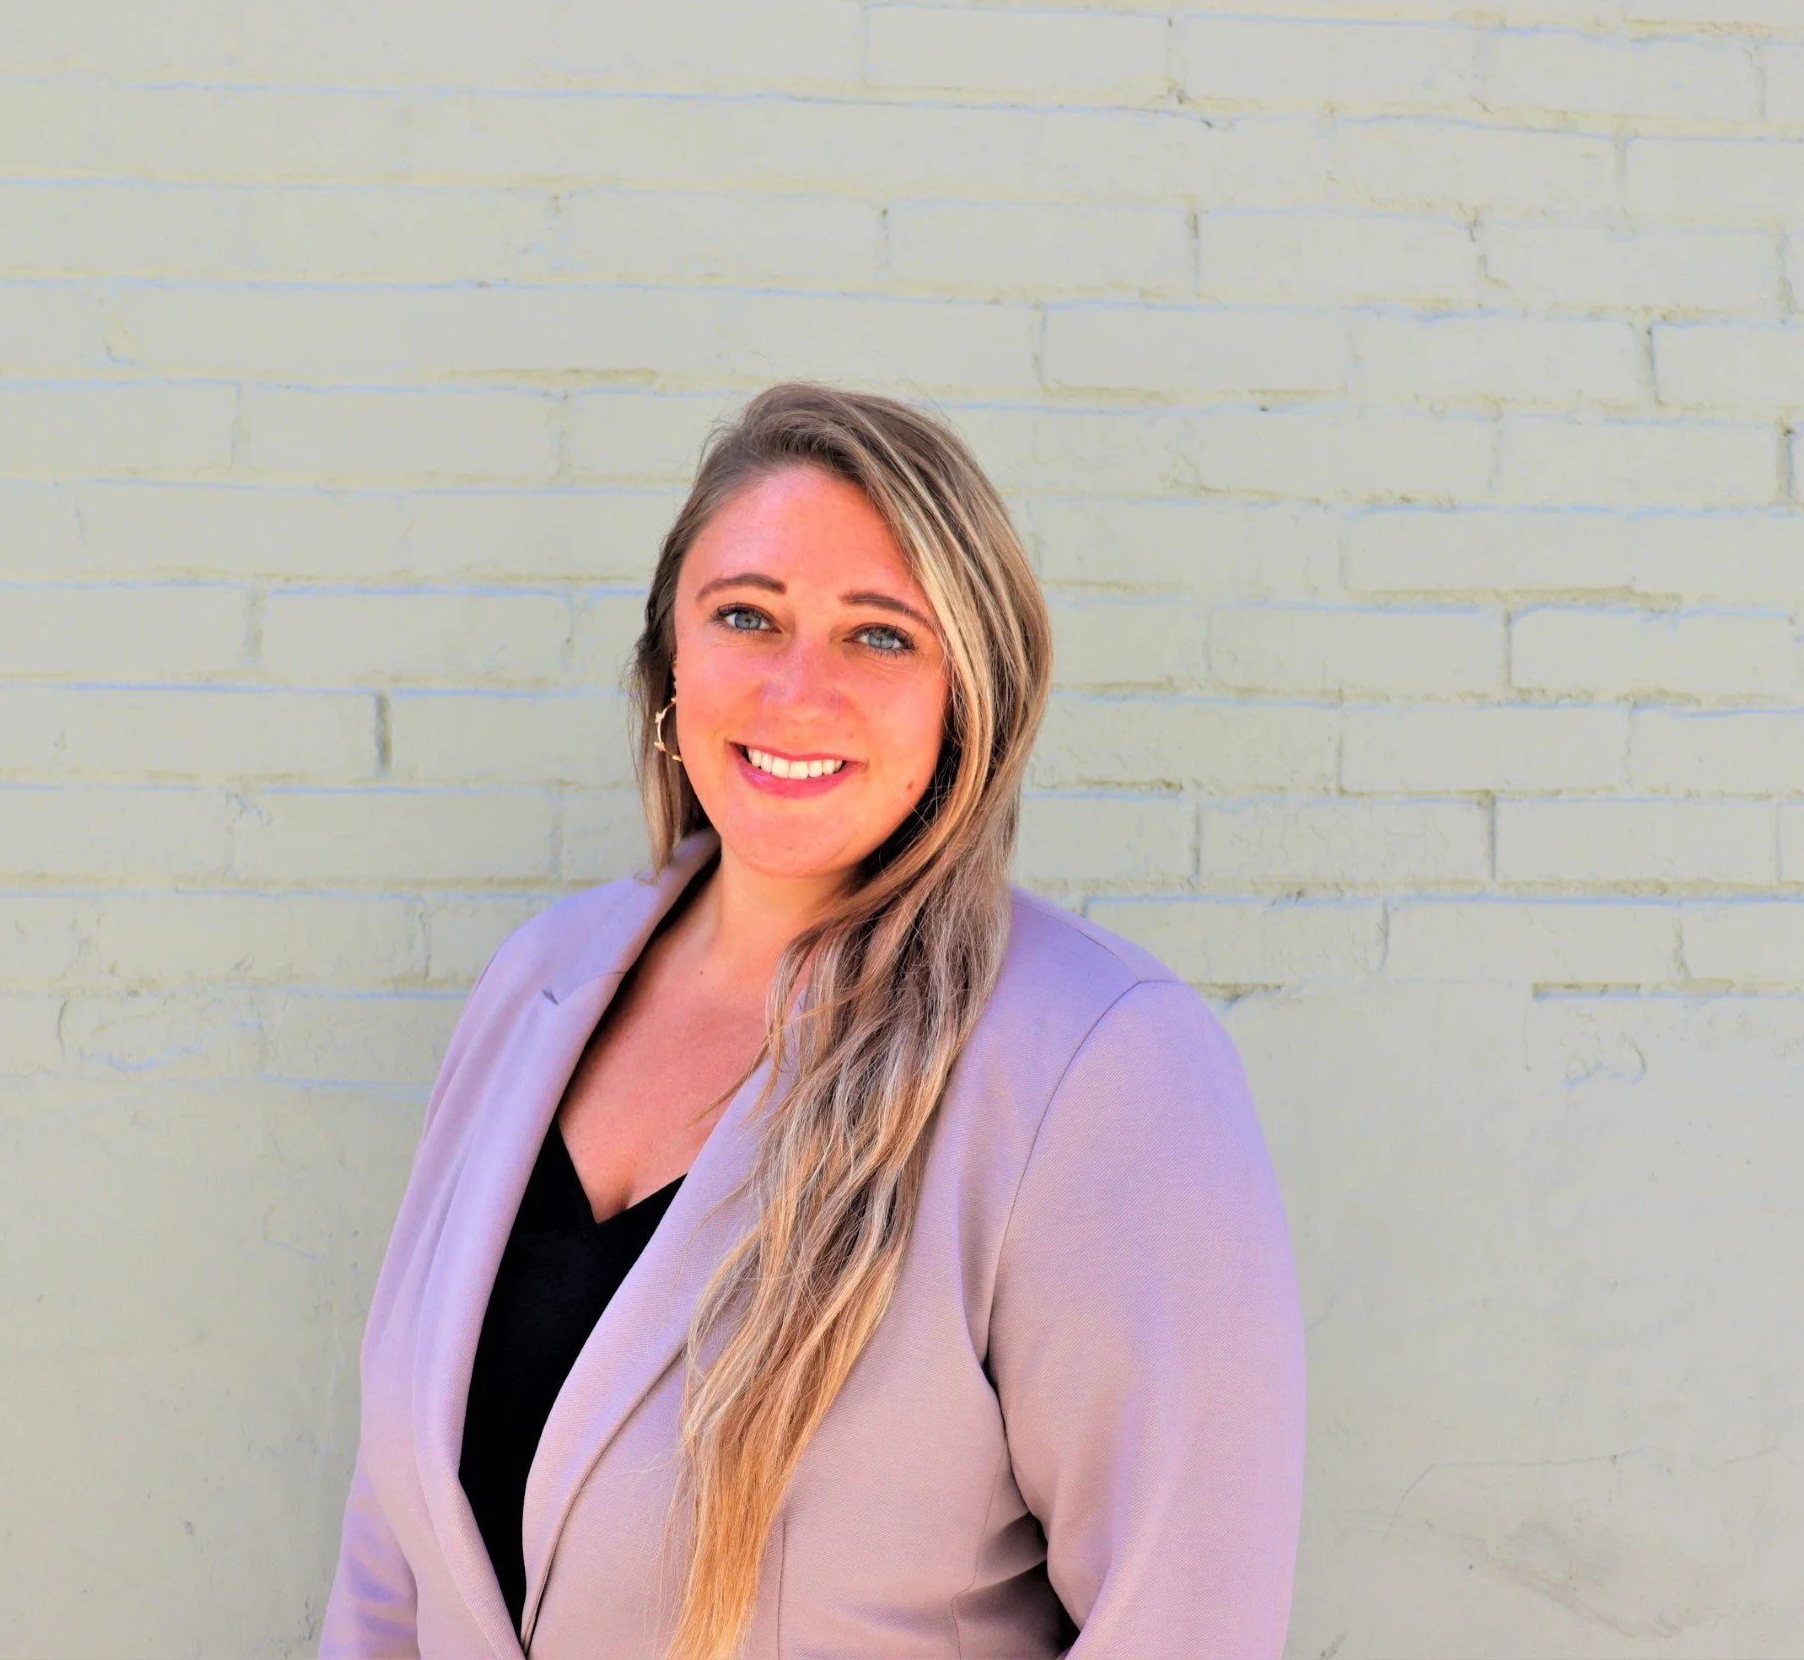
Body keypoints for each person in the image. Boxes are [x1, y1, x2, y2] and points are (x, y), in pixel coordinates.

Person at [319, 382, 1305, 1659]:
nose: (798, 689)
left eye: (879, 637)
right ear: (669, 660)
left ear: (969, 695)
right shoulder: (534, 989)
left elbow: (1183, 1626)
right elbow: (392, 1564)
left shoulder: (1096, 1066)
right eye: (747, 616)